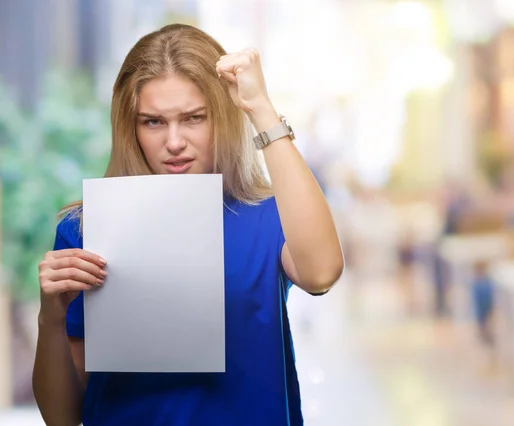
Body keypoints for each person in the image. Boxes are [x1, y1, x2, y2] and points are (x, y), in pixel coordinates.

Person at [32, 23, 344, 426]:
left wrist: (260, 107)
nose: (174, 141)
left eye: (194, 118)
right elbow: (62, 418)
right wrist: (50, 318)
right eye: (153, 122)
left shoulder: (268, 214)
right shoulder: (86, 228)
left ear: (222, 117)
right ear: (131, 127)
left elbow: (322, 273)